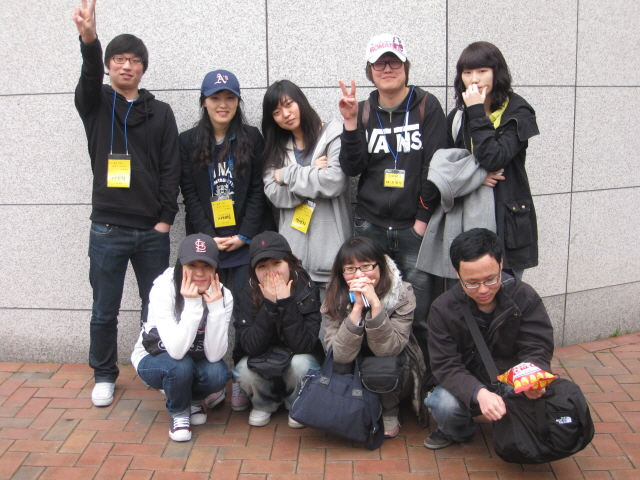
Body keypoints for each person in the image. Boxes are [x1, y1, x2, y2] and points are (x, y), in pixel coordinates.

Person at [72, 0, 181, 407]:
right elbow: (87, 77)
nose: (126, 66)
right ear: (108, 66)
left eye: (134, 60)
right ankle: (104, 374)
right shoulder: (96, 103)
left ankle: (155, 367)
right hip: (107, 228)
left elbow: (171, 168)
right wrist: (89, 41)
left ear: (143, 68)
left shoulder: (161, 113)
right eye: (118, 59)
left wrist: (165, 219)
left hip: (151, 230)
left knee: (156, 308)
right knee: (105, 309)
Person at [338, 33, 448, 363]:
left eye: (394, 61)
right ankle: (380, 379)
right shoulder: (364, 110)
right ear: (370, 70)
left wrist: (421, 221)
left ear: (406, 66)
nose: (388, 69)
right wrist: (350, 123)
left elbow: (435, 167)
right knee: (371, 305)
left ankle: (420, 377)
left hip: (413, 227)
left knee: (421, 313)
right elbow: (352, 167)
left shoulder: (426, 105)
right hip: (370, 226)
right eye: (380, 63)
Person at [179, 70, 274, 412]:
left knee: (246, 312)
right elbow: (189, 194)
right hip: (207, 245)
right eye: (215, 97)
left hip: (245, 241)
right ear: (204, 102)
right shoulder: (187, 141)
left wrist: (244, 235)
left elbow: (258, 192)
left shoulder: (252, 137)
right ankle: (212, 380)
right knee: (207, 313)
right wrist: (210, 237)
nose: (223, 104)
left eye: (230, 97)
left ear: (238, 101)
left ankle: (241, 380)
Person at [424, 228, 554, 450]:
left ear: (501, 263)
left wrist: (532, 380)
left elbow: (537, 346)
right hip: (467, 378)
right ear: (457, 273)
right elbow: (445, 364)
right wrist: (478, 392)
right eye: (472, 283)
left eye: (491, 279)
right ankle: (459, 431)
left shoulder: (524, 296)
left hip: (511, 378)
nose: (483, 290)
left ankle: (512, 425)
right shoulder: (443, 308)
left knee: (543, 398)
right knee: (444, 404)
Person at [447, 41, 540, 278]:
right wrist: (476, 177)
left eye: (482, 71)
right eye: (467, 72)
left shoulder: (518, 112)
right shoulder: (458, 116)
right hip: (469, 215)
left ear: (497, 72)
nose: (474, 79)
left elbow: (494, 158)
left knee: (505, 288)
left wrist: (477, 111)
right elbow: (444, 165)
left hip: (507, 220)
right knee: (470, 286)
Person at [131, 234, 233, 442]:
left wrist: (215, 308)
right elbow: (176, 351)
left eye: (206, 265)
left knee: (218, 373)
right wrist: (193, 304)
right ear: (180, 266)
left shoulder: (224, 295)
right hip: (156, 356)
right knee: (179, 367)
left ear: (215, 268)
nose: (199, 273)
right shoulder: (164, 288)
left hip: (197, 356)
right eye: (192, 265)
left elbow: (214, 356)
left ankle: (194, 401)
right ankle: (179, 413)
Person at [323, 236, 426, 438]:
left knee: (384, 364)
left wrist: (376, 306)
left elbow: (388, 349)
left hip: (393, 368)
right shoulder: (335, 294)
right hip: (353, 363)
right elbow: (339, 355)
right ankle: (351, 403)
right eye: (350, 269)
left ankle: (389, 409)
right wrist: (357, 308)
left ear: (380, 266)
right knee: (340, 363)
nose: (359, 275)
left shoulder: (402, 293)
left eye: (366, 266)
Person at [262, 80, 351, 299]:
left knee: (331, 318)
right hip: (294, 259)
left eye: (288, 104)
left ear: (300, 101)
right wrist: (313, 172)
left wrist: (287, 175)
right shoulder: (276, 148)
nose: (285, 114)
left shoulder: (334, 134)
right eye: (276, 112)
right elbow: (275, 194)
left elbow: (335, 181)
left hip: (332, 256)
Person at [232, 231, 324, 428]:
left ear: (289, 263)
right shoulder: (246, 292)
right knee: (243, 369)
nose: (271, 272)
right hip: (263, 358)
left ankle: (297, 403)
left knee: (302, 364)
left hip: (295, 355)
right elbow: (250, 347)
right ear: (253, 271)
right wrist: (269, 306)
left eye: (276, 263)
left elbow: (304, 345)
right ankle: (264, 404)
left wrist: (286, 303)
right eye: (262, 266)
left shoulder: (306, 288)